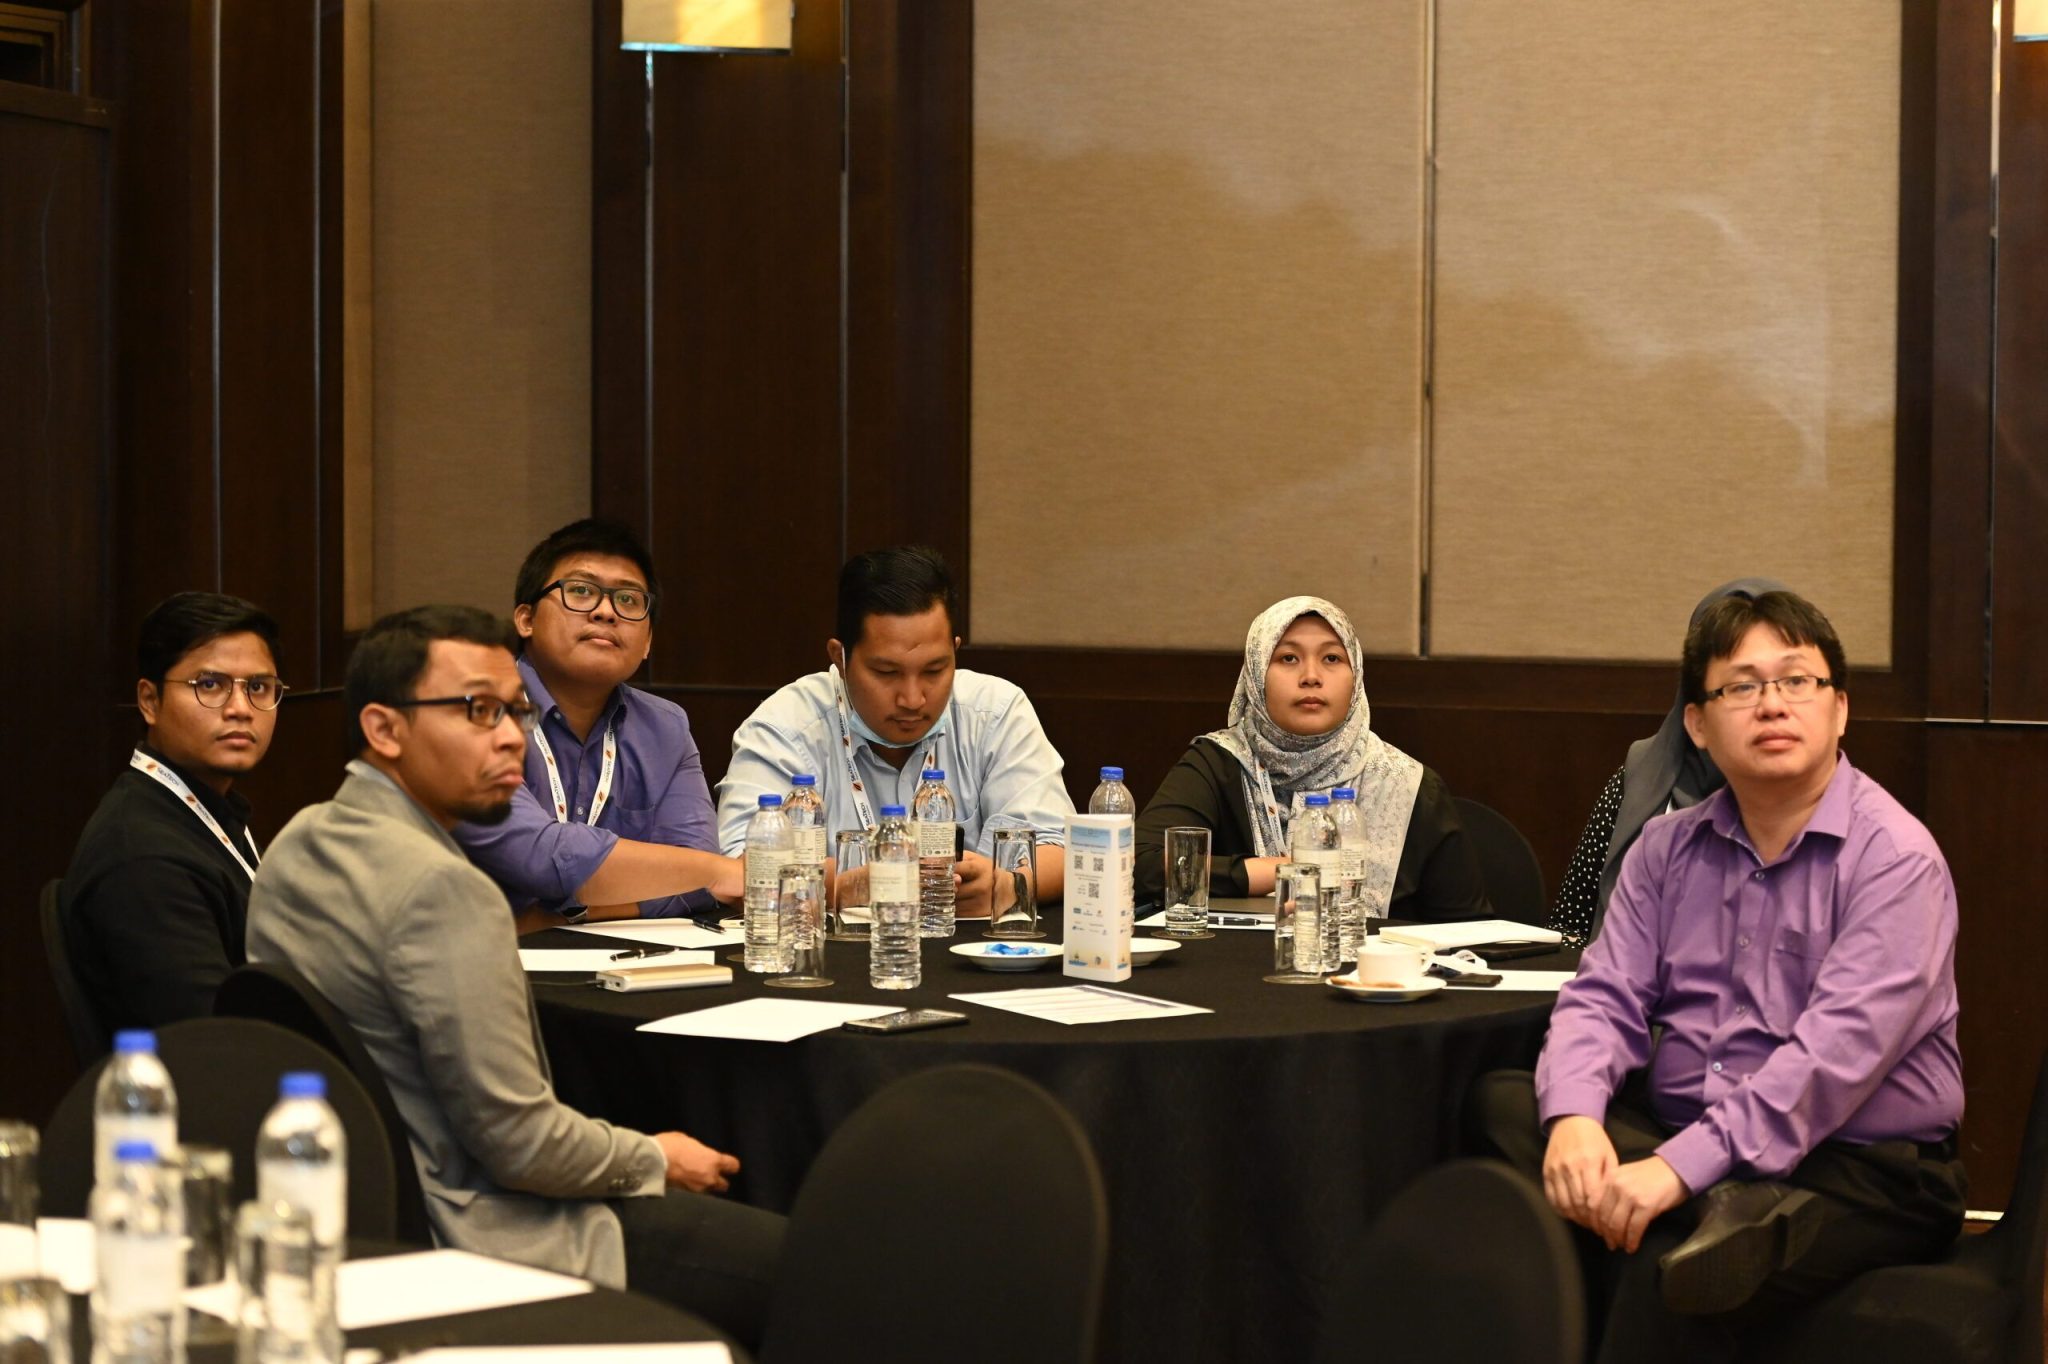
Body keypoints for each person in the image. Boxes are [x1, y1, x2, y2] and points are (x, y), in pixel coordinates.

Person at [246, 606, 782, 1343]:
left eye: (517, 712)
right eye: (478, 711)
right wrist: (654, 1156)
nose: (511, 738)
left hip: (344, 1210)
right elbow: (522, 1146)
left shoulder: (296, 842)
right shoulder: (444, 889)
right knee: (816, 1268)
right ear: (384, 729)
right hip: (475, 1229)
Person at [1471, 590, 1964, 1364]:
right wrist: (1576, 1118)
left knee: (1670, 1272)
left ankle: (1709, 1206)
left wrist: (1675, 1169)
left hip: (1861, 1168)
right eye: (1742, 686)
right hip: (1686, 1126)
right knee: (1504, 1100)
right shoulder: (1664, 849)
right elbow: (1602, 997)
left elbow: (1827, 1065)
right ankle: (1723, 1204)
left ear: (1840, 709)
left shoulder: (1896, 861)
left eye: (1796, 680)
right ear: (1698, 724)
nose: (1772, 704)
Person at [715, 546, 1073, 917]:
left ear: (955, 651)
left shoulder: (996, 712)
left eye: (934, 670)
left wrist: (1008, 885)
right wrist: (864, 884)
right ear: (840, 658)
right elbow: (740, 873)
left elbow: (1063, 850)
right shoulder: (783, 728)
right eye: (887, 673)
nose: (913, 699)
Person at [454, 519, 740, 926]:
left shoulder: (665, 728)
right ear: (526, 619)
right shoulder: (477, 712)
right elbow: (538, 854)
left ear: (648, 642)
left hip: (618, 953)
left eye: (628, 600)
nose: (606, 612)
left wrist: (565, 917)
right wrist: (705, 873)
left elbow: (699, 875)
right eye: (581, 591)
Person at [1134, 595, 1489, 919]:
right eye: (1288, 658)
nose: (1311, 677)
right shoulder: (1219, 762)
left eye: (1331, 658)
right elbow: (1138, 863)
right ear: (1256, 676)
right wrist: (1281, 871)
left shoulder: (1407, 785)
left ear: (1356, 678)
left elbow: (1471, 933)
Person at [62, 592, 285, 1039]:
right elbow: (211, 1036)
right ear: (150, 701)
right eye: (210, 685)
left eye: (258, 687)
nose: (241, 709)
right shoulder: (142, 855)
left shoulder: (203, 811)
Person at [1547, 577, 1787, 948]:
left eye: (1787, 680)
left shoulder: (1827, 813)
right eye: (1740, 684)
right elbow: (1570, 928)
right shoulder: (1641, 777)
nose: (1766, 704)